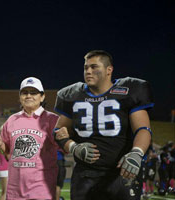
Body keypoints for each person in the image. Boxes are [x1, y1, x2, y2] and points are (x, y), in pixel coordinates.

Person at [54, 50, 154, 200]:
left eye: (94, 67)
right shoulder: (72, 95)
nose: (88, 71)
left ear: (109, 70)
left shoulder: (129, 90)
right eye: (86, 67)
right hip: (85, 175)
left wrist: (137, 152)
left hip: (122, 174)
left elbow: (143, 129)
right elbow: (58, 132)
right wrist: (73, 147)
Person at [0, 77, 59, 200]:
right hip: (15, 192)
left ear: (42, 97)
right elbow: (8, 155)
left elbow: (64, 148)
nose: (28, 96)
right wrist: (1, 144)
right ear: (20, 97)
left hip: (42, 191)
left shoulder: (52, 120)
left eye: (33, 92)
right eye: (24, 92)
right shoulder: (11, 120)